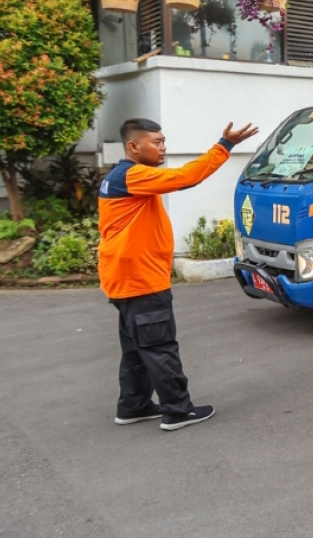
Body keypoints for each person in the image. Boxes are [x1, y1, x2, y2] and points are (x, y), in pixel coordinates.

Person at [100, 118, 259, 431]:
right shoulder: (133, 175)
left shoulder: (120, 177)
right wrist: (224, 146)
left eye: (163, 141)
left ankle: (134, 406)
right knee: (159, 347)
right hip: (141, 280)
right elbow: (186, 177)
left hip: (124, 278)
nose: (163, 147)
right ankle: (178, 410)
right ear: (133, 146)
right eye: (156, 142)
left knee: (137, 348)